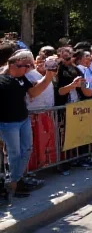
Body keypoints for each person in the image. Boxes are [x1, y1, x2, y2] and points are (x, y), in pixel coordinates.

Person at [0, 50, 57, 199]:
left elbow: (33, 92)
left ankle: (14, 180)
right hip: (8, 123)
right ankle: (15, 182)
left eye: (28, 65)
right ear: (13, 65)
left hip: (23, 120)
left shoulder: (22, 79)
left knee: (27, 149)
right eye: (24, 66)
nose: (28, 68)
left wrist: (48, 77)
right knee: (15, 153)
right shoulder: (2, 80)